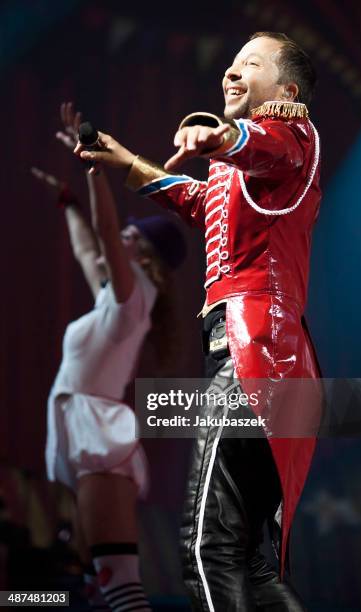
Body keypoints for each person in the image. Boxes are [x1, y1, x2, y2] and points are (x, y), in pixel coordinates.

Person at [75, 31, 322, 611]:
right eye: (232, 63)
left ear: (286, 90)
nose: (232, 73)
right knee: (250, 563)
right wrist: (128, 162)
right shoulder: (251, 169)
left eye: (249, 64)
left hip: (251, 357)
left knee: (207, 549)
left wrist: (220, 135)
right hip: (274, 359)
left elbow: (261, 143)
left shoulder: (291, 136)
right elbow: (201, 201)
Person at [32, 103, 186, 612]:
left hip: (99, 435)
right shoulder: (116, 299)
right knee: (85, 587)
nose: (120, 238)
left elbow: (102, 236)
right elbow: (87, 249)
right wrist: (70, 203)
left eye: (130, 237)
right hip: (87, 431)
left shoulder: (133, 291)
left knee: (119, 584)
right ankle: (19, 598)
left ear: (143, 255)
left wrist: (94, 169)